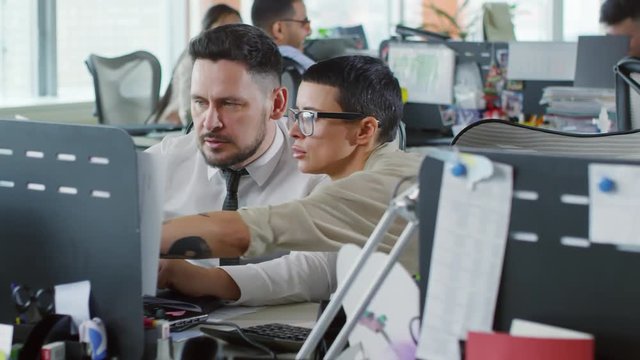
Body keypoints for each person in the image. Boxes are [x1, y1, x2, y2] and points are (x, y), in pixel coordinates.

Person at [158, 55, 425, 303]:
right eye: (295, 115)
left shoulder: (384, 186)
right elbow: (320, 266)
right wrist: (194, 277)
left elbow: (242, 233)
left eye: (310, 117)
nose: (294, 130)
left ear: (365, 130)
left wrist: (143, 241)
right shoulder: (362, 176)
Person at [148, 23, 333, 305]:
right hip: (173, 329)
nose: (210, 122)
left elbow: (321, 269)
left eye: (230, 104)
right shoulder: (163, 161)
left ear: (278, 104)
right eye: (200, 102)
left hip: (276, 337)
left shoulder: (319, 168)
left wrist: (206, 281)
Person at [152, 4, 243, 125]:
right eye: (223, 27)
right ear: (207, 30)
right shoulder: (194, 58)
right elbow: (187, 112)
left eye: (236, 28)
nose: (229, 34)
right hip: (170, 128)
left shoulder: (232, 59)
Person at [251, 0, 315, 74]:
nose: (309, 31)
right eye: (303, 23)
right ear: (279, 30)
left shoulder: (247, 67)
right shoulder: (304, 68)